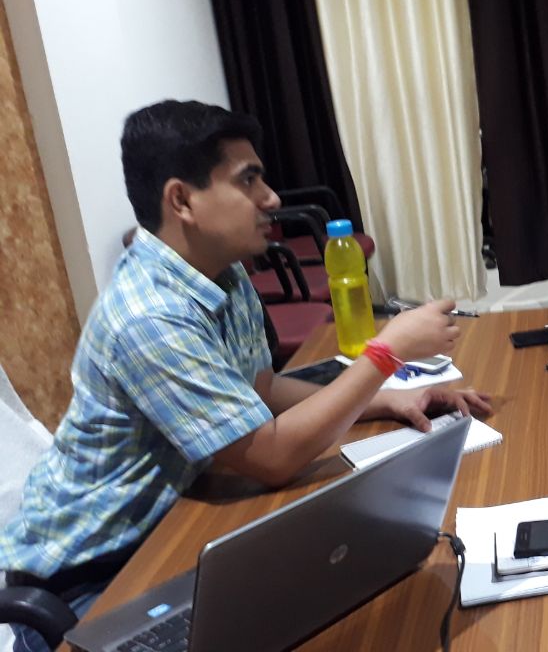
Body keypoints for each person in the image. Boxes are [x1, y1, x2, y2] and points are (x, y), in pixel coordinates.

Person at [0, 100, 491, 652]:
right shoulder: (149, 318)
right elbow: (272, 456)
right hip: (86, 581)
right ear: (181, 200)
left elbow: (260, 389)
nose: (271, 198)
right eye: (248, 180)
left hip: (170, 526)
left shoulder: (223, 273)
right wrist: (385, 353)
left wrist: (389, 399)